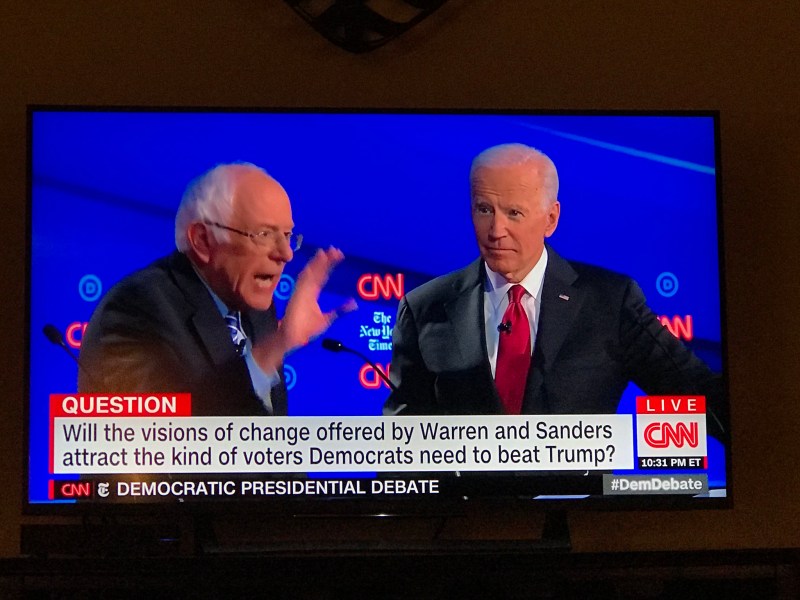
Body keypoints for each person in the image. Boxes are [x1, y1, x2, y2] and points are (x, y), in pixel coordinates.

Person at [384, 144, 725, 433]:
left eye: (514, 213)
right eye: (484, 209)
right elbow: (404, 443)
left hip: (575, 494)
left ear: (551, 219)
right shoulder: (425, 307)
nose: (496, 230)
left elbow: (701, 397)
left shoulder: (610, 303)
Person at [79, 162, 354, 415]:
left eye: (287, 236)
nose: (286, 254)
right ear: (202, 241)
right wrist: (274, 349)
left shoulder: (255, 308)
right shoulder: (136, 307)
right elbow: (164, 438)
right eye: (264, 234)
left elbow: (266, 440)